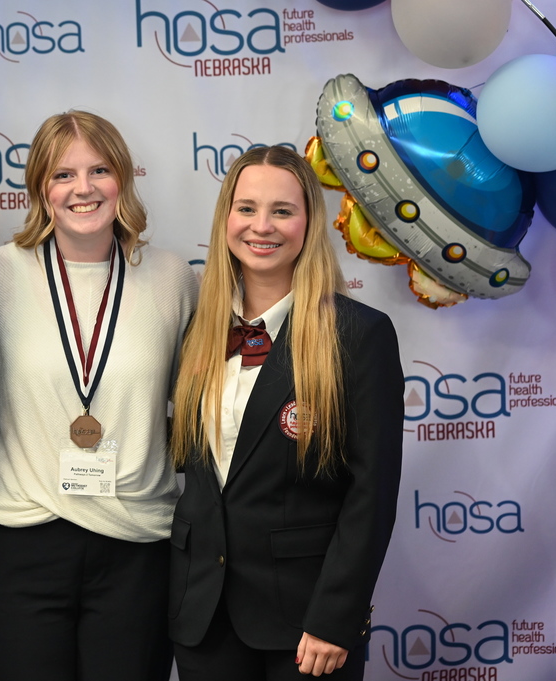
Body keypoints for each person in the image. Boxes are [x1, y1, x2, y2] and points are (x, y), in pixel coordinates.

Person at [0, 110, 199, 681]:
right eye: (63, 174)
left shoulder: (175, 278)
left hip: (138, 545)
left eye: (99, 170)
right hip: (18, 542)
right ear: (40, 188)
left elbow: (204, 410)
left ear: (124, 178)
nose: (83, 188)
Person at [168, 146, 403, 680]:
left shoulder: (359, 334)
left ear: (308, 222)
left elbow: (373, 492)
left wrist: (336, 617)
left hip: (306, 623)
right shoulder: (197, 333)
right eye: (246, 208)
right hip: (203, 616)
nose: (261, 226)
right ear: (226, 217)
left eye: (282, 210)